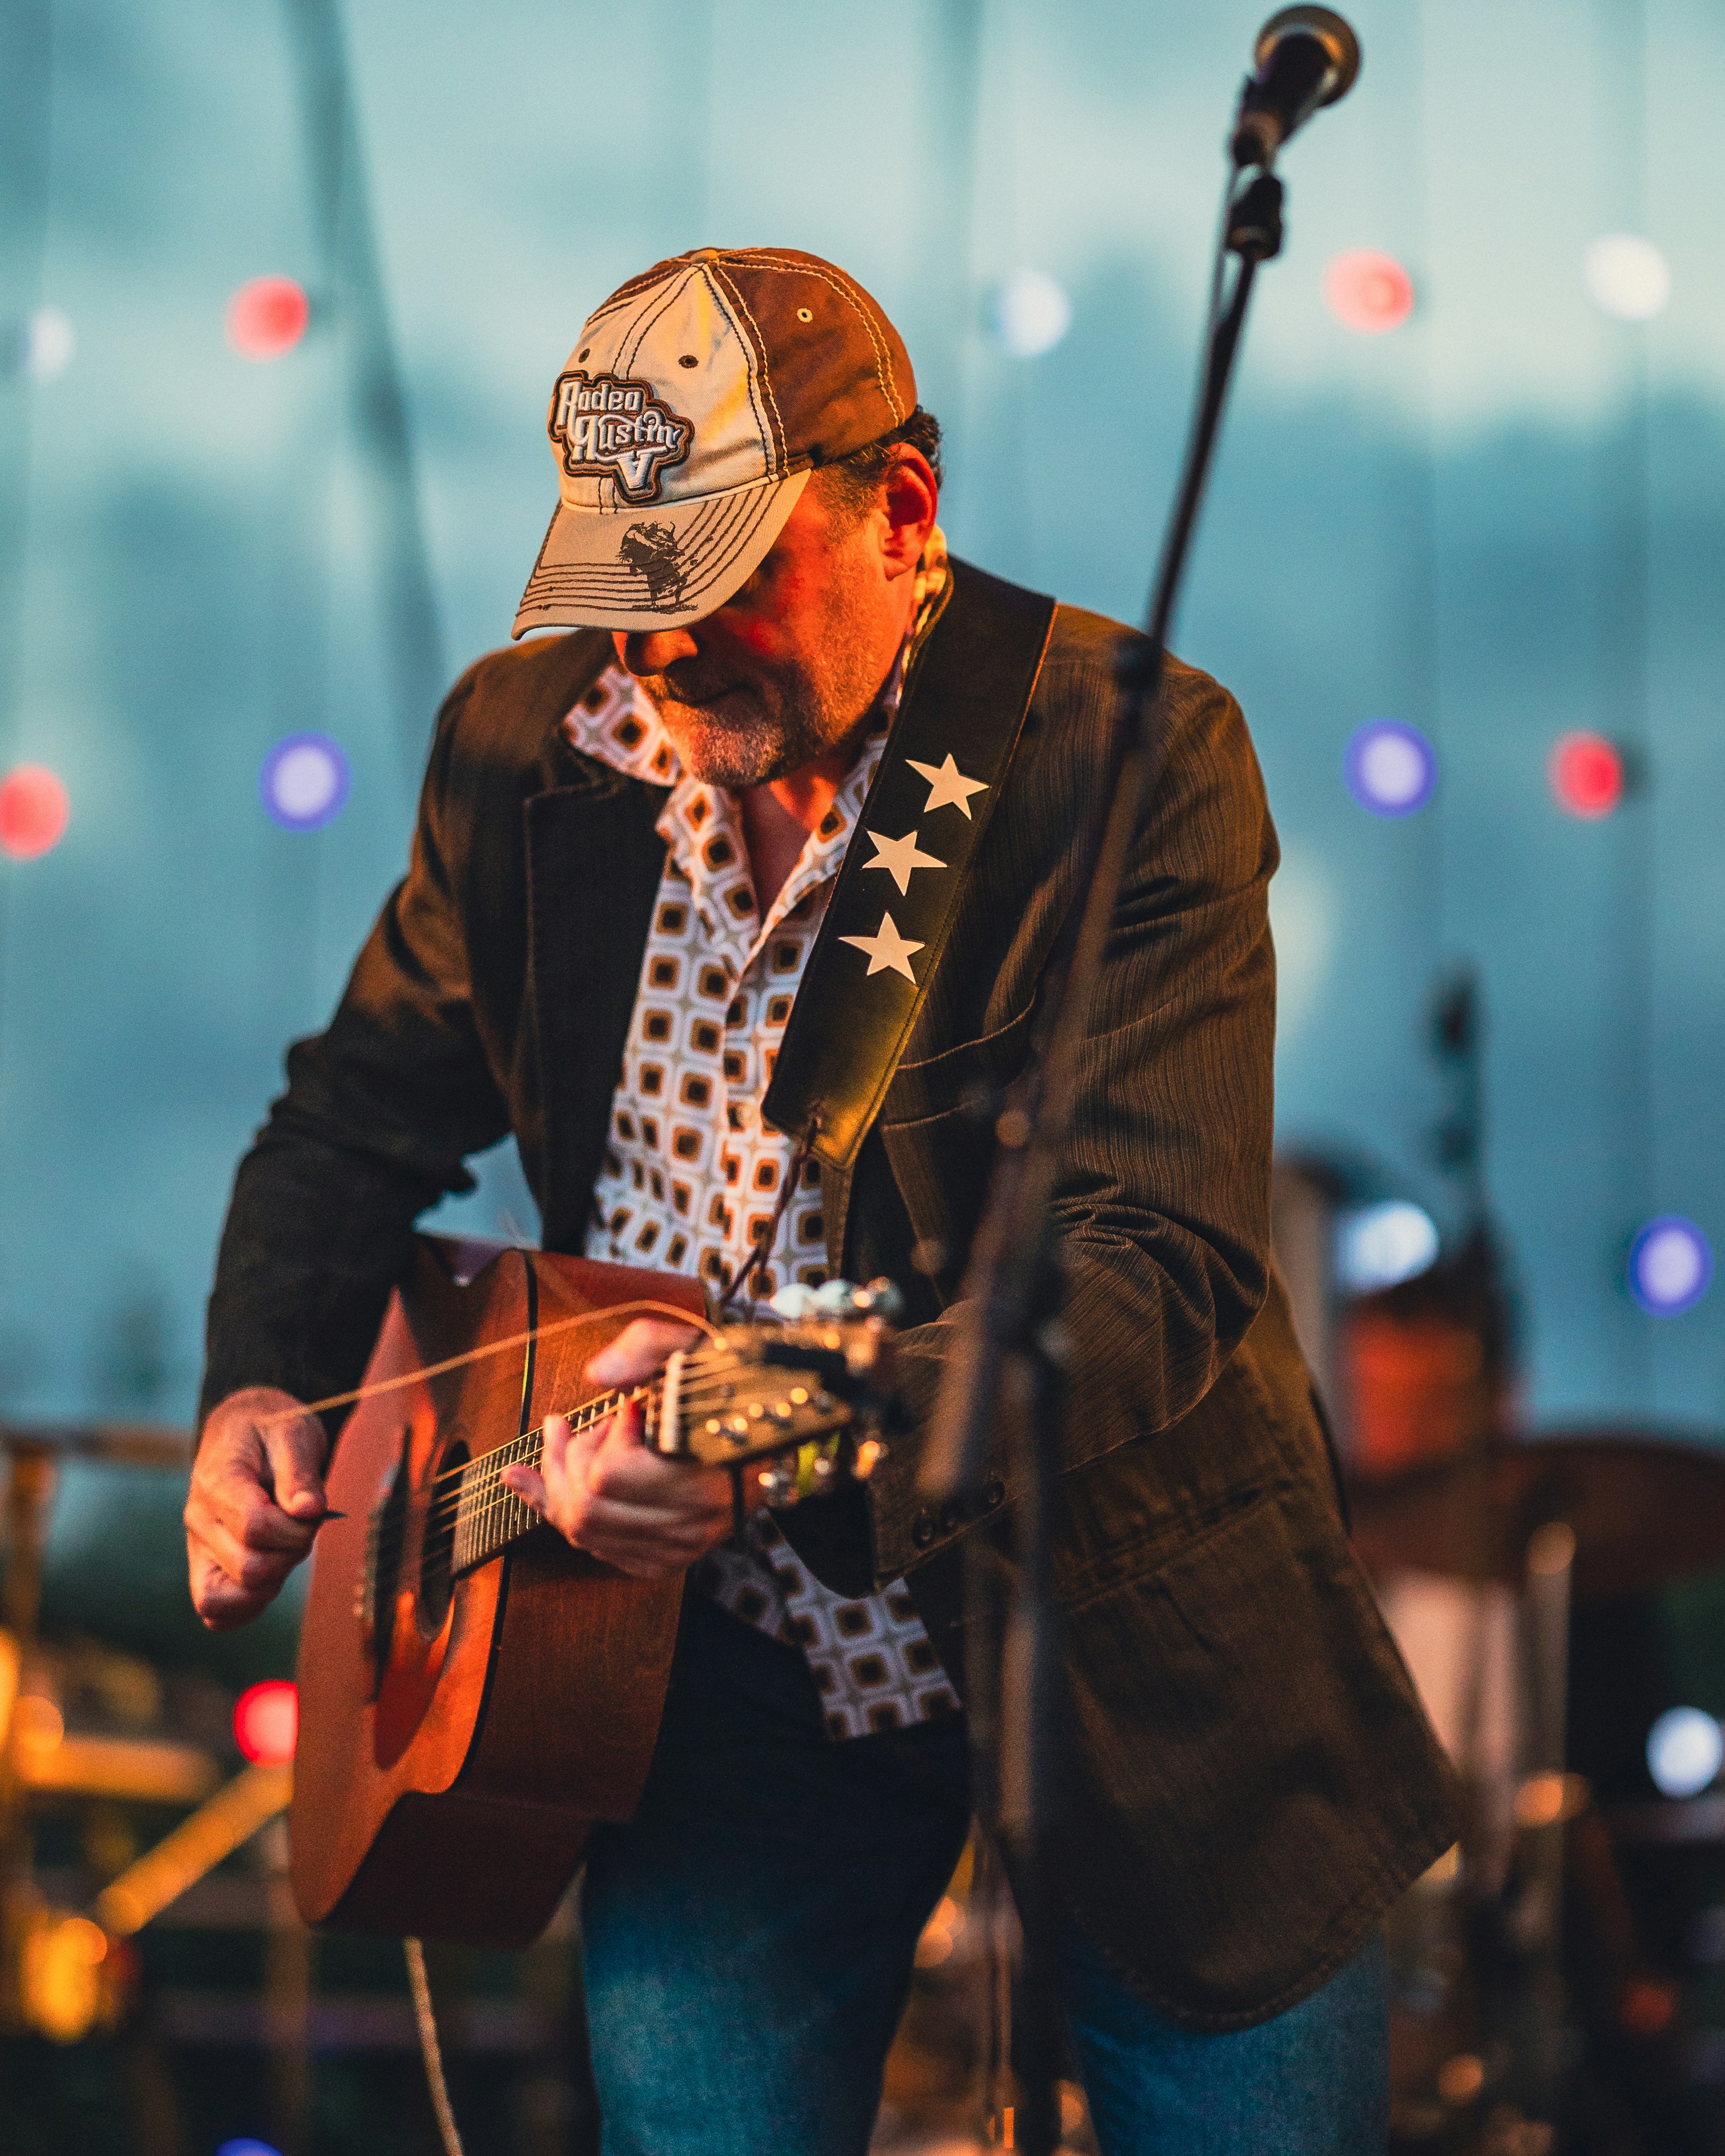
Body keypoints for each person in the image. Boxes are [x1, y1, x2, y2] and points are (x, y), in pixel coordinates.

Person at [186, 245, 1457, 2154]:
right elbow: (352, 1115)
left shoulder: (1126, 756)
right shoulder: (524, 754)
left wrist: (789, 1423)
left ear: (902, 511)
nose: (661, 655)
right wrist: (258, 1382)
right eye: (627, 597)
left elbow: (1157, 1266)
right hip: (701, 1677)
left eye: (716, 585)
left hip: (1131, 1648)